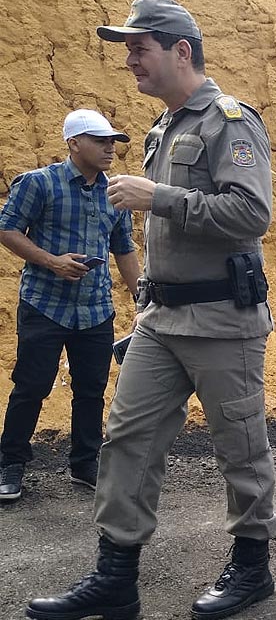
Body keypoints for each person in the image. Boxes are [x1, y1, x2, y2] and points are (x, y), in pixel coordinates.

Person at [28, 0, 276, 620]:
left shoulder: (230, 122)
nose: (132, 61)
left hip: (223, 319)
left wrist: (160, 196)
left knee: (239, 447)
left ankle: (252, 570)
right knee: (126, 441)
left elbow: (253, 214)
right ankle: (116, 576)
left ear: (181, 51)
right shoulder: (161, 130)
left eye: (140, 49)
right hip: (161, 321)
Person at [0, 110, 140, 502]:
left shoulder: (115, 192)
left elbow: (123, 248)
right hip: (45, 305)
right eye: (100, 140)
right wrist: (51, 261)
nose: (110, 147)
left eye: (113, 140)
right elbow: (6, 228)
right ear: (74, 144)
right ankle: (10, 464)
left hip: (95, 309)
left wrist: (142, 295)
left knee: (92, 389)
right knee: (31, 386)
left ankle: (85, 464)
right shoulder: (39, 184)